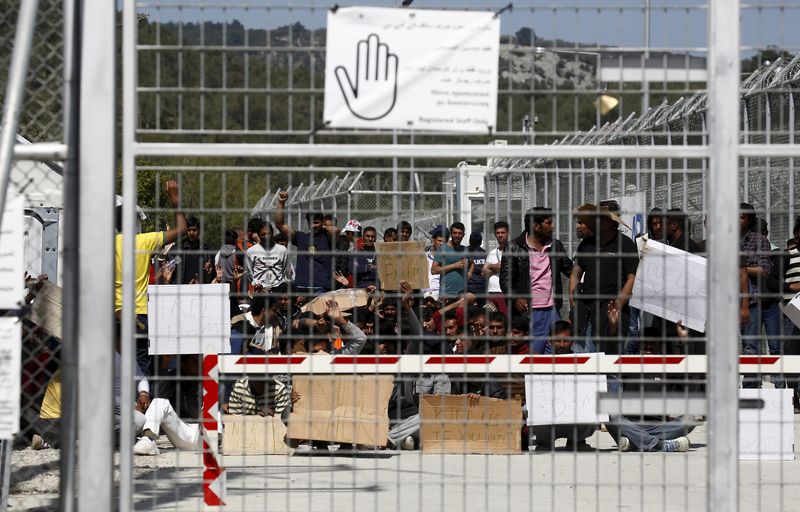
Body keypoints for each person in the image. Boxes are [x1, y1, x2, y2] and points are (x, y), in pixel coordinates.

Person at [115, 180, 187, 376]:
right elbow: (182, 230)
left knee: (114, 369)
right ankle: (141, 398)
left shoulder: (105, 243)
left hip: (112, 315)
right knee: (139, 370)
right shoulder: (144, 240)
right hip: (138, 314)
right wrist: (174, 197)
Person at [500, 208, 573, 354]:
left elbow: (571, 270)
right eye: (549, 222)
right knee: (533, 358)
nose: (553, 226)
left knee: (556, 356)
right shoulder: (514, 247)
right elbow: (506, 281)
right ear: (536, 226)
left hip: (553, 311)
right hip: (530, 313)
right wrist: (516, 298)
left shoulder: (555, 246)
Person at [569, 204, 638, 355]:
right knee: (583, 367)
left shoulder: (626, 244)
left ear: (612, 222)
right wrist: (573, 303)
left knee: (611, 365)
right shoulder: (586, 244)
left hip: (612, 315)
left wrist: (617, 305)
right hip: (585, 314)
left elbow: (631, 278)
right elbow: (575, 273)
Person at [530, 321, 596, 451]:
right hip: (549, 417)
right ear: (549, 341)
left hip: (575, 416)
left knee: (595, 405)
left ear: (572, 341)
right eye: (557, 341)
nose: (561, 345)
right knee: (528, 408)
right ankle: (545, 442)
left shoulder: (584, 363)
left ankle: (577, 440)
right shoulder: (539, 363)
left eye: (565, 341)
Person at [740, 203, 781, 388]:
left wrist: (741, 268)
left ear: (749, 220)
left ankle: (779, 389)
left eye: (741, 217)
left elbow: (764, 270)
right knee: (746, 347)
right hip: (734, 300)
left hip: (757, 300)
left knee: (765, 347)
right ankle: (749, 389)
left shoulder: (759, 240)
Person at [274, 190, 337, 294]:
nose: (313, 226)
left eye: (316, 223)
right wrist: (281, 202)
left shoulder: (328, 238)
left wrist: (323, 226)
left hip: (320, 287)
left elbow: (336, 230)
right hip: (301, 287)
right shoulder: (301, 237)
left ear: (322, 222)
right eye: (311, 223)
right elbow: (279, 225)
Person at [246, 221, 290, 292]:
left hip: (277, 290)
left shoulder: (282, 250)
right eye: (263, 234)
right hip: (259, 290)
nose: (266, 237)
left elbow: (286, 270)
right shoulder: (251, 251)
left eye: (269, 234)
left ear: (273, 234)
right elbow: (249, 272)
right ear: (258, 235)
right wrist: (258, 285)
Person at [432, 224, 469, 301]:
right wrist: (454, 265)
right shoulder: (442, 249)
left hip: (461, 296)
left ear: (463, 235)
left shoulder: (465, 250)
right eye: (455, 233)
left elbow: (472, 263)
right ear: (451, 234)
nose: (457, 235)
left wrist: (468, 275)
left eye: (460, 233)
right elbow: (434, 270)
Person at [482, 221, 510, 316]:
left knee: (504, 319)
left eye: (503, 232)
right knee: (490, 320)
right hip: (491, 292)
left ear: (507, 233)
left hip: (504, 293)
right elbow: (483, 273)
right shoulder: (492, 252)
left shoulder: (513, 250)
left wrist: (490, 266)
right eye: (498, 233)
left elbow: (507, 267)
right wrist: (497, 267)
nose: (500, 235)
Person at [176, 216, 214, 284]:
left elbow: (212, 274)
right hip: (182, 289)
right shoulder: (178, 249)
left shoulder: (206, 249)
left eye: (194, 230)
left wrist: (209, 273)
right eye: (189, 230)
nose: (191, 233)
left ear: (199, 231)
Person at [424, 225, 446, 300]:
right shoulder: (424, 257)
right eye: (439, 241)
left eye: (444, 242)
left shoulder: (447, 260)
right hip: (423, 296)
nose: (441, 244)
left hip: (439, 297)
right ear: (433, 240)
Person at [466, 232, 487, 301]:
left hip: (469, 289)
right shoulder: (485, 254)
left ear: (469, 241)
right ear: (481, 242)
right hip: (482, 289)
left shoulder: (464, 252)